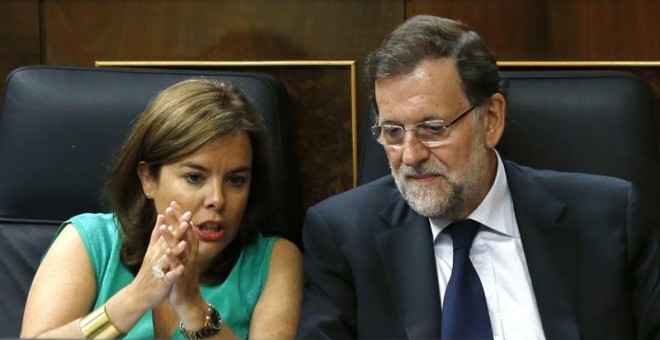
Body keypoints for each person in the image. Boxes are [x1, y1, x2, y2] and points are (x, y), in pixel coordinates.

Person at [297, 15, 660, 339]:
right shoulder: (343, 236)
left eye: (432, 128)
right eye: (393, 131)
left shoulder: (609, 219)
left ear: (490, 120)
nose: (410, 155)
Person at [21, 78, 302, 339]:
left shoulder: (274, 261)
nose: (217, 199)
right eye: (195, 177)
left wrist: (192, 305)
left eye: (236, 180)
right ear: (148, 179)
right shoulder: (88, 242)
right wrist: (135, 298)